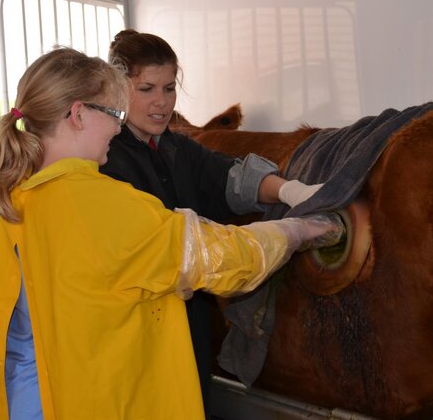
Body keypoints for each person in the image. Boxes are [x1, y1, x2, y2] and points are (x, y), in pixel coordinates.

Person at [0, 46, 337, 420]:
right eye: (113, 113)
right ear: (79, 114)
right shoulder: (97, 203)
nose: (118, 127)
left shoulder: (22, 194)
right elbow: (221, 259)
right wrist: (296, 230)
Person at [101, 29, 323, 414]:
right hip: (136, 330)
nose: (161, 102)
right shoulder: (107, 159)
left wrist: (290, 191)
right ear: (119, 90)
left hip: (187, 323)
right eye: (147, 89)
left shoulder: (176, 148)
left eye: (169, 88)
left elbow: (232, 178)